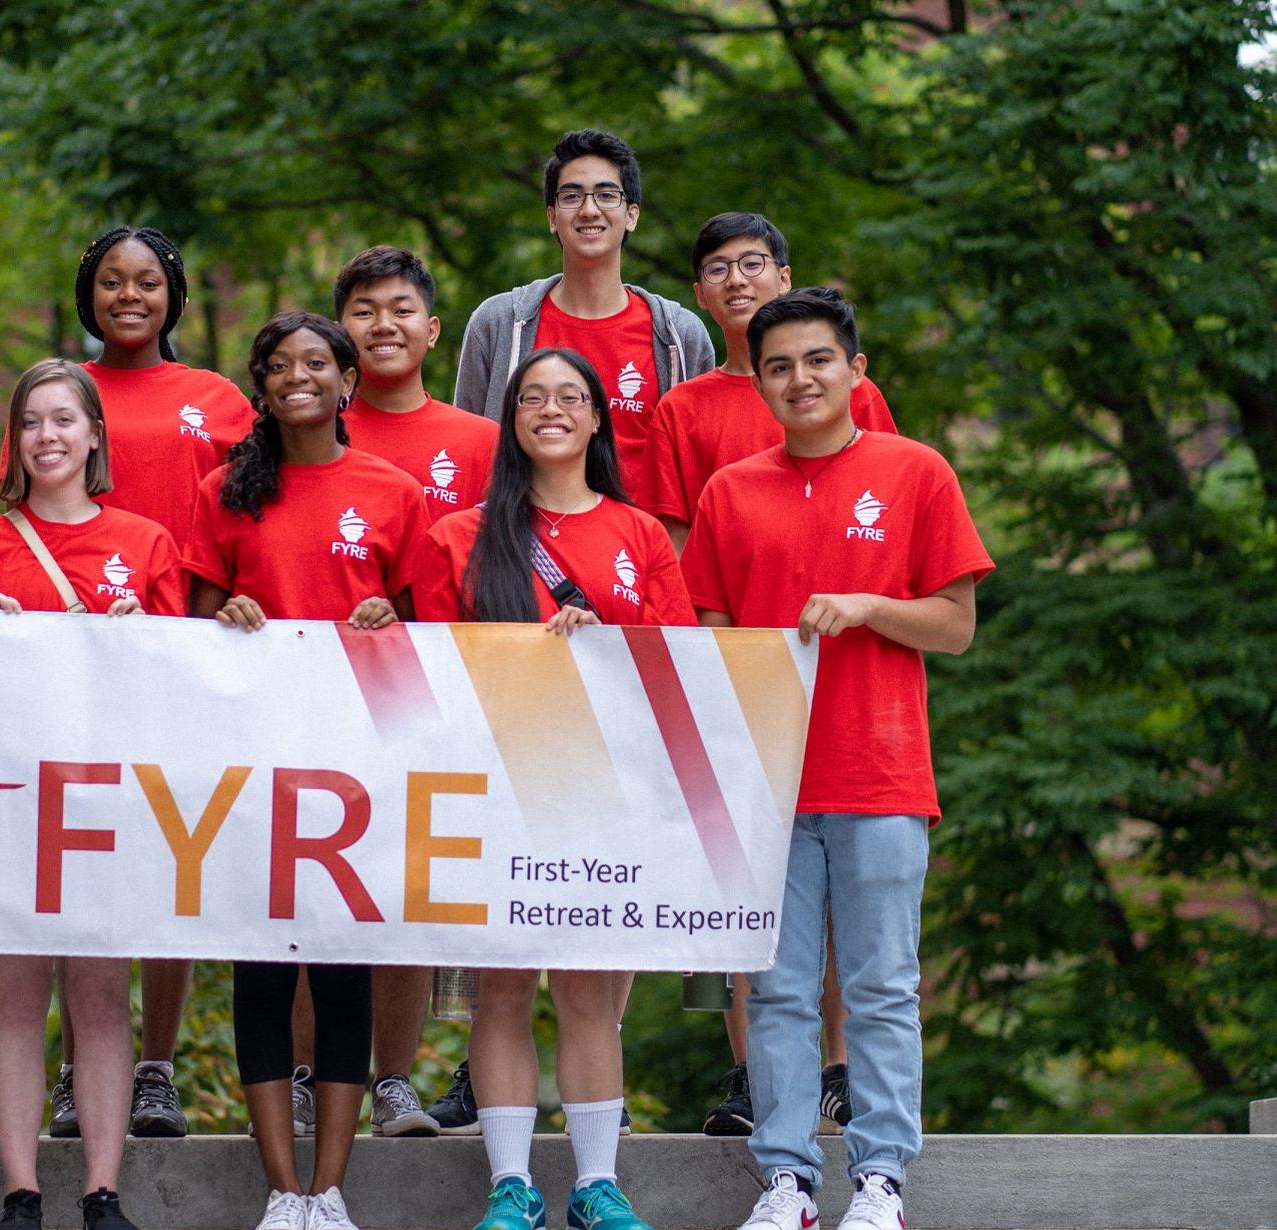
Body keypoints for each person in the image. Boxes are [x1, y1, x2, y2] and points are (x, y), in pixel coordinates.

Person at [682, 289, 993, 1230]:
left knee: (882, 985)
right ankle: (785, 1177)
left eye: (818, 360)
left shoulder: (915, 472)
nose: (800, 379)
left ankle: (881, 1177)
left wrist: (868, 605)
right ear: (761, 380)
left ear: (856, 370)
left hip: (880, 770)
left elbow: (956, 623)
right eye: (778, 366)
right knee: (773, 988)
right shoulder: (731, 489)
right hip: (768, 783)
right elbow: (706, 626)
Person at [413, 348, 691, 1230]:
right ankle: (510, 1187)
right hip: (490, 787)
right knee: (500, 990)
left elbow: (681, 664)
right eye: (532, 397)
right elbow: (423, 665)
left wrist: (607, 639)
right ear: (510, 420)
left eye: (571, 396)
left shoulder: (642, 534)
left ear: (599, 418)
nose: (552, 410)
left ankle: (598, 1187)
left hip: (605, 792)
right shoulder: (459, 534)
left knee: (588, 991)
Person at [641, 213, 896, 1139]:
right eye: (719, 269)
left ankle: (840, 1073)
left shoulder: (845, 388)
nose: (739, 279)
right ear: (701, 298)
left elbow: (888, 514)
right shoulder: (688, 410)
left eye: (756, 264)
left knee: (855, 915)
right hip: (742, 672)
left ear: (786, 274)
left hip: (854, 684)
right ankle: (754, 1078)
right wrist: (716, 655)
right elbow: (679, 544)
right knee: (750, 902)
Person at [186, 312, 429, 1230]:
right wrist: (229, 616)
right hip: (254, 764)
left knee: (340, 970)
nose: (298, 377)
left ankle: (333, 1191)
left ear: (345, 383)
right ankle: (280, 1192)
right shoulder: (224, 491)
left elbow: (424, 649)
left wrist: (386, 619)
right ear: (263, 383)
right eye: (280, 365)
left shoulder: (393, 490)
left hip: (356, 766)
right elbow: (192, 634)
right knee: (261, 969)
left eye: (316, 364)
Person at [0, 360, 182, 1230]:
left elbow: (181, 683)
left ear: (93, 437)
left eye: (64, 420)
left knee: (100, 993)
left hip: (108, 794)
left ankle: (105, 1192)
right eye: (31, 421)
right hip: (8, 795)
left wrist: (138, 637)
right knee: (14, 993)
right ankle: (21, 1190)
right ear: (15, 440)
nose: (47, 436)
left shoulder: (149, 543)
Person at [46, 225, 255, 1141]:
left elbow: (255, 514)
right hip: (74, 658)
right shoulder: (60, 389)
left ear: (172, 293)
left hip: (185, 651)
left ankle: (156, 1068)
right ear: (88, 291)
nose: (129, 296)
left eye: (148, 282)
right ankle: (73, 1067)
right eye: (110, 281)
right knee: (80, 857)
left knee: (176, 859)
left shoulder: (216, 399)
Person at [331, 243, 501, 1138]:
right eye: (363, 310)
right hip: (317, 692)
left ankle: (393, 1078)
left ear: (434, 329)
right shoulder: (307, 426)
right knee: (314, 887)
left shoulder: (479, 442)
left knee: (404, 884)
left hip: (439, 694)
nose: (383, 325)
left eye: (401, 309)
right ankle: (304, 1076)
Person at [454, 129, 714, 489]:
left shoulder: (680, 336)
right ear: (551, 216)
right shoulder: (498, 324)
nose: (589, 209)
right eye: (572, 196)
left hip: (640, 542)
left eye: (606, 195)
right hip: (521, 540)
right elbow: (467, 453)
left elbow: (697, 469)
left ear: (632, 215)